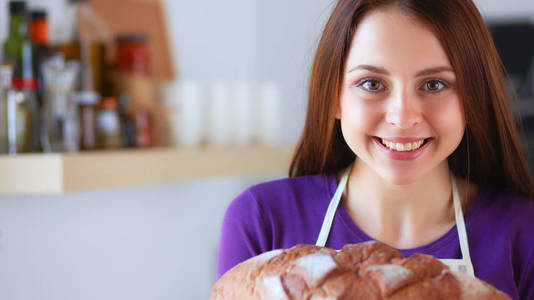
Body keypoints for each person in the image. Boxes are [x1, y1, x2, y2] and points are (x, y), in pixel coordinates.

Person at [216, 0, 534, 299]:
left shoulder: (523, 233)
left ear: (472, 98)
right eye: (372, 83)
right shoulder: (261, 220)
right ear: (333, 96)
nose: (403, 117)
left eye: (434, 84)